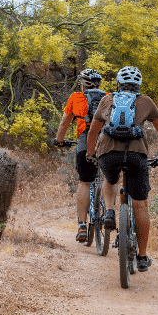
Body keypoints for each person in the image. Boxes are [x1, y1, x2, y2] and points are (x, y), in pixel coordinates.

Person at [85, 66, 158, 272]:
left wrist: (91, 153)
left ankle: (109, 211)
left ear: (118, 83)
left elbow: (93, 132)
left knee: (110, 179)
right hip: (136, 155)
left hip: (109, 153)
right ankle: (142, 257)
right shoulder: (146, 102)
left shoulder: (107, 100)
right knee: (141, 205)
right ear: (139, 85)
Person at [54, 69, 106, 243]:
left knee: (85, 181)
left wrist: (59, 141)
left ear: (83, 85)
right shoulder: (107, 97)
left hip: (84, 142)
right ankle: (109, 215)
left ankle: (82, 225)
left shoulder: (76, 97)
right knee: (108, 180)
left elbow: (64, 122)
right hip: (106, 143)